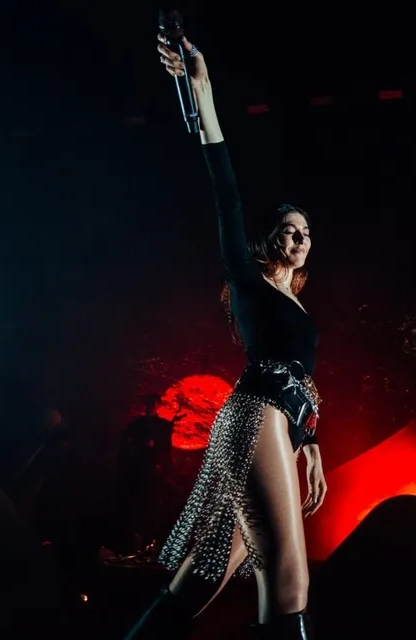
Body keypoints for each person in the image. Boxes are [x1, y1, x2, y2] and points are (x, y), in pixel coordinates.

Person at [123, 33, 328, 640]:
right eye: (290, 230)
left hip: (279, 427)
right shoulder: (247, 279)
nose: (301, 239)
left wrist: (311, 444)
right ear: (269, 238)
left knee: (202, 575)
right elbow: (226, 192)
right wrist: (203, 93)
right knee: (288, 583)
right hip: (255, 417)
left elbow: (301, 379)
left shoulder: (296, 303)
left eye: (307, 232)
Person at [116, 394, 175, 556]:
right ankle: (135, 545)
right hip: (136, 472)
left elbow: (166, 449)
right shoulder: (137, 424)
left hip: (152, 473)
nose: (150, 407)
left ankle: (148, 544)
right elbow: (124, 442)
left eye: (153, 404)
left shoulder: (162, 425)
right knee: (135, 508)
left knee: (150, 507)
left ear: (158, 406)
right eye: (148, 404)